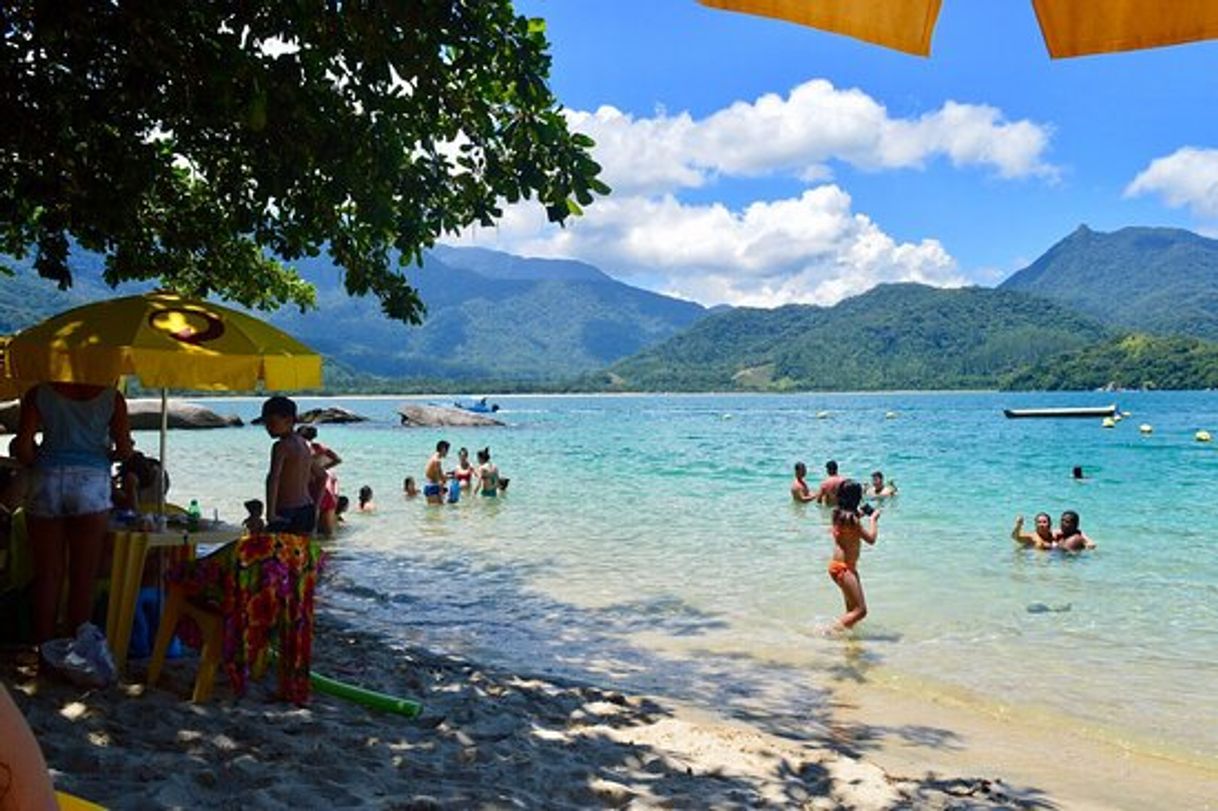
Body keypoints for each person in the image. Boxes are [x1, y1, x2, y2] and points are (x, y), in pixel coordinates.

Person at [14, 382, 133, 643]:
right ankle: (75, 651)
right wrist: (104, 455)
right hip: (91, 482)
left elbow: (23, 448)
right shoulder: (113, 398)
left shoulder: (38, 393)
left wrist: (44, 462)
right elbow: (125, 451)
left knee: (47, 574)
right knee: (84, 574)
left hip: (47, 479)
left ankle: (45, 651)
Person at [827, 479, 880, 631]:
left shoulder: (837, 515)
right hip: (845, 569)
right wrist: (873, 520)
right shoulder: (853, 520)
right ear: (856, 499)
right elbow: (871, 539)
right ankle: (828, 632)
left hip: (837, 567)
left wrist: (860, 514)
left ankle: (851, 646)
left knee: (851, 610)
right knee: (861, 611)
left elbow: (850, 520)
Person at [260, 396, 315, 534]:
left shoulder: (281, 446)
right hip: (307, 508)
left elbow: (273, 479)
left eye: (272, 423)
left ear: (289, 420)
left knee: (275, 554)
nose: (268, 428)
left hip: (287, 510)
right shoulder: (303, 443)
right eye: (266, 423)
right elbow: (321, 475)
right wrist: (317, 506)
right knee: (300, 553)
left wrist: (270, 514)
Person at [297, 424, 342, 537]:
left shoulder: (301, 448)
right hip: (326, 491)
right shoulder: (319, 447)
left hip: (310, 491)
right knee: (327, 535)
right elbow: (337, 460)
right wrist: (322, 468)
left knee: (309, 533)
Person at [423, 440, 450, 505]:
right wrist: (441, 497)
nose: (447, 453)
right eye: (447, 450)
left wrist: (450, 477)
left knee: (433, 513)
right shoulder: (437, 461)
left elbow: (440, 476)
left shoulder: (434, 458)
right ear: (443, 449)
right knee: (437, 511)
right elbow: (439, 481)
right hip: (433, 488)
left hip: (429, 486)